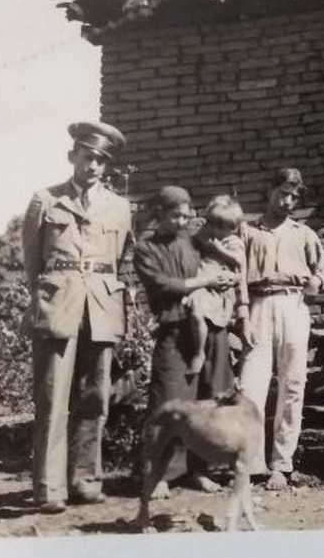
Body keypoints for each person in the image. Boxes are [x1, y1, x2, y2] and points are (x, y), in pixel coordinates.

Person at [21, 121, 133, 514]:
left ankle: (85, 480)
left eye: (102, 161)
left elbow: (118, 260)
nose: (94, 166)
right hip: (59, 302)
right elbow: (32, 262)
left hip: (101, 304)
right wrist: (52, 290)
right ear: (73, 157)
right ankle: (49, 488)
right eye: (88, 157)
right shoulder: (45, 200)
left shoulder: (119, 207)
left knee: (94, 396)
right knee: (52, 398)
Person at [133, 185, 237, 498]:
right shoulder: (146, 249)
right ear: (160, 214)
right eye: (174, 215)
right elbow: (164, 285)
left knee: (207, 399)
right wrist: (206, 281)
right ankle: (160, 475)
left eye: (186, 214)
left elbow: (226, 261)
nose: (182, 221)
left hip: (207, 327)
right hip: (174, 331)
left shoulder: (196, 241)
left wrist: (231, 276)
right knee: (169, 402)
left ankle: (199, 470)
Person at [239, 168, 324, 489]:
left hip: (294, 306)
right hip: (259, 305)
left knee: (293, 384)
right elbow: (237, 275)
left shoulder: (303, 234)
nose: (288, 201)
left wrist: (317, 281)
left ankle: (282, 463)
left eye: (294, 196)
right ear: (270, 190)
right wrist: (242, 313)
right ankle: (251, 464)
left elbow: (322, 270)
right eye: (283, 193)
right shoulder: (248, 231)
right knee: (252, 385)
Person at [184, 195, 250, 377]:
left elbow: (239, 262)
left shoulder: (233, 243)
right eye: (214, 224)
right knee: (196, 312)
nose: (217, 231)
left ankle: (199, 354)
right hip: (201, 288)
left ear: (233, 227)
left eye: (223, 227)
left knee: (198, 310)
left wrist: (219, 250)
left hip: (218, 291)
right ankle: (199, 352)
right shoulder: (207, 238)